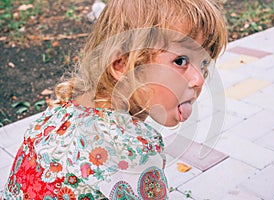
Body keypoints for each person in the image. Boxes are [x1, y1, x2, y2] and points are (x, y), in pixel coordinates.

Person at [1, 0, 227, 199]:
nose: (199, 79)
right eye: (180, 61)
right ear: (122, 65)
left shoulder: (64, 112)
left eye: (204, 63)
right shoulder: (131, 153)